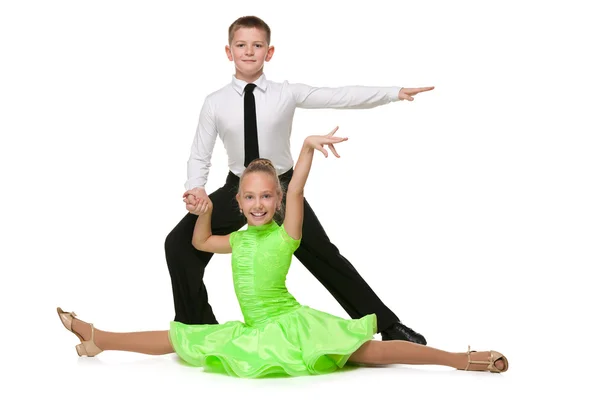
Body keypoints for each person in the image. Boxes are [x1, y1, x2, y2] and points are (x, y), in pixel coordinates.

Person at [57, 128, 508, 378]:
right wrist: (206, 210)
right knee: (181, 336)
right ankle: (100, 338)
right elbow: (198, 244)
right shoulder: (236, 239)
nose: (258, 205)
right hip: (254, 330)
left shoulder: (284, 235)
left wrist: (307, 148)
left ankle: (459, 358)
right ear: (240, 204)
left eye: (267, 197)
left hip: (292, 326)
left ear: (277, 200)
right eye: (250, 198)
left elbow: (299, 190)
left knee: (371, 353)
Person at [165, 15, 435, 344]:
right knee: (179, 244)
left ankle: (389, 327)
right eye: (241, 45)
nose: (249, 52)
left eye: (257, 45)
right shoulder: (215, 102)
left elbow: (340, 96)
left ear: (269, 51)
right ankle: (196, 327)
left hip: (281, 187)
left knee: (324, 255)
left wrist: (393, 92)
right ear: (228, 51)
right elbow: (199, 153)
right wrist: (195, 188)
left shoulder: (286, 93)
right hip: (238, 188)